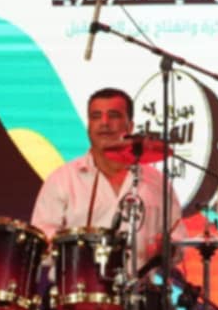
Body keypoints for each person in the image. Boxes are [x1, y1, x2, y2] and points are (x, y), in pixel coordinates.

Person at [29, 88, 178, 266]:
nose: (104, 123)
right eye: (96, 116)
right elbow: (40, 240)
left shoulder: (157, 182)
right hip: (77, 282)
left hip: (141, 282)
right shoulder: (62, 179)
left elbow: (178, 237)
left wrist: (168, 248)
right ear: (89, 126)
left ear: (130, 126)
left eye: (113, 116)